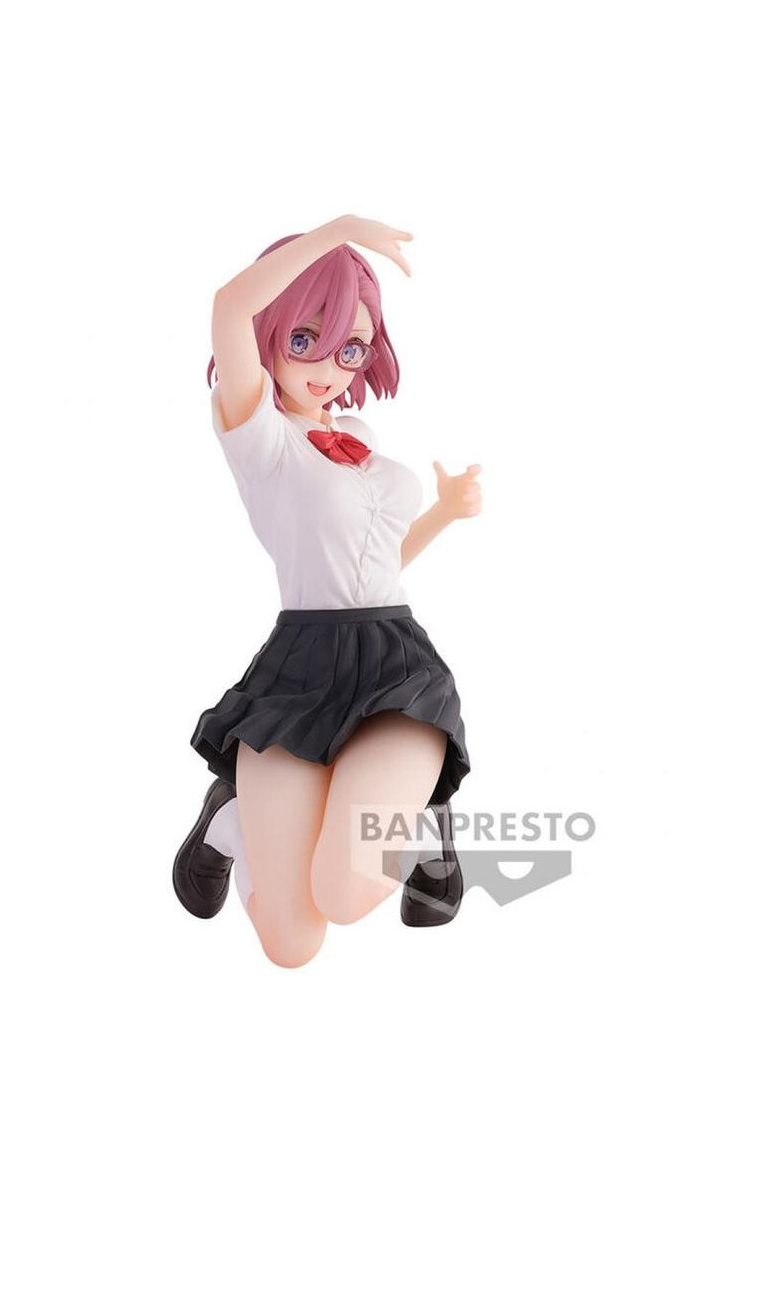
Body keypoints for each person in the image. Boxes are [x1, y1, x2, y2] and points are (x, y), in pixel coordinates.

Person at [173, 215, 482, 968]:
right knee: (292, 943)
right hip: (300, 667)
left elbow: (373, 563)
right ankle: (229, 822)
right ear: (272, 332)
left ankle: (425, 824)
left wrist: (443, 513)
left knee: (344, 892)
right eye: (306, 338)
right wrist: (337, 232)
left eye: (351, 348)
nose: (329, 367)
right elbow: (228, 306)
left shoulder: (359, 439)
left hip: (393, 664)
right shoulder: (258, 433)